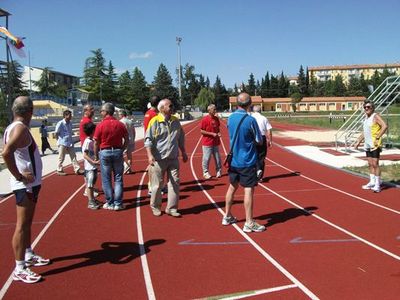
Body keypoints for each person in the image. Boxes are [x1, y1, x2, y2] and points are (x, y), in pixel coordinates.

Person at [2, 96, 50, 284]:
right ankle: (19, 268)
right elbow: (6, 152)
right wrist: (20, 176)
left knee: (27, 223)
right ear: (29, 111)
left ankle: (28, 253)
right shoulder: (20, 128)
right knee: (22, 225)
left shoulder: (12, 127)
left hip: (29, 184)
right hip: (25, 185)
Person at [223, 93, 265, 233]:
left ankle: (227, 216)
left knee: (232, 187)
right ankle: (249, 222)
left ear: (236, 103)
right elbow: (259, 140)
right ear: (250, 104)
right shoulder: (250, 120)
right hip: (247, 160)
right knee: (248, 190)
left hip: (234, 160)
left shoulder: (230, 118)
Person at [145, 98, 188, 217]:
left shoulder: (175, 121)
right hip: (159, 159)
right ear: (162, 108)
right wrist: (149, 155)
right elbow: (148, 140)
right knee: (157, 185)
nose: (172, 107)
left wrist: (183, 151)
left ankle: (172, 208)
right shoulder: (154, 121)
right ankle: (156, 206)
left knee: (175, 183)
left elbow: (180, 137)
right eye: (170, 106)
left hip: (173, 158)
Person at [93, 102, 128, 211]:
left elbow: (95, 142)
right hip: (117, 151)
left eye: (102, 111)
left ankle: (110, 202)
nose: (100, 113)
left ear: (106, 112)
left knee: (106, 179)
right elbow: (127, 139)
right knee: (118, 178)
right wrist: (121, 149)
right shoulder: (120, 124)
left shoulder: (100, 125)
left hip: (105, 152)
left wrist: (96, 156)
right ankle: (118, 203)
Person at [354, 100, 388, 193]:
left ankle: (377, 185)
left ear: (372, 108)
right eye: (365, 107)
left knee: (375, 164)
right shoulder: (365, 118)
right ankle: (372, 182)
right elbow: (364, 132)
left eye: (368, 107)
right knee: (370, 164)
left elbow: (385, 126)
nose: (366, 108)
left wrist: (378, 137)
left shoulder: (375, 116)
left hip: (375, 144)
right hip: (367, 144)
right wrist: (358, 141)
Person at [55, 110, 84, 176]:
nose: (71, 117)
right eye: (70, 115)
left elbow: (70, 132)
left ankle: (77, 169)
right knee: (61, 157)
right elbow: (56, 133)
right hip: (62, 142)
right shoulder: (60, 123)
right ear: (65, 115)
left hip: (70, 142)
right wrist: (58, 141)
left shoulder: (70, 123)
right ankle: (59, 169)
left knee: (73, 156)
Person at [200, 104, 222, 179]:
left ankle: (218, 171)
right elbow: (201, 131)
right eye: (214, 109)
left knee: (217, 158)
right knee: (206, 158)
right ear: (209, 110)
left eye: (215, 109)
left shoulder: (216, 119)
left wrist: (218, 133)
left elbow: (218, 128)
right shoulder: (205, 119)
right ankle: (205, 172)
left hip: (215, 142)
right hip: (207, 143)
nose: (215, 110)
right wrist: (212, 134)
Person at [82, 122, 101, 209]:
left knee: (92, 184)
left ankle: (92, 199)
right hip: (89, 167)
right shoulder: (87, 142)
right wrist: (93, 161)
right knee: (89, 185)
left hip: (93, 166)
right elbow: (85, 155)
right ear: (92, 131)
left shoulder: (92, 140)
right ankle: (90, 201)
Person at [143, 96, 159, 196]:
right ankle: (151, 186)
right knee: (153, 164)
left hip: (149, 139)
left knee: (153, 164)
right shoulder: (154, 115)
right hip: (153, 141)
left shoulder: (147, 113)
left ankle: (155, 184)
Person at [252, 105, 272, 181]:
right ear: (260, 111)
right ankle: (260, 176)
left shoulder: (250, 117)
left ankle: (255, 173)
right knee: (261, 157)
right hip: (262, 138)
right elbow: (269, 130)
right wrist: (270, 141)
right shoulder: (264, 118)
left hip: (252, 138)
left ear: (253, 111)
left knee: (253, 156)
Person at [119, 109, 136, 174]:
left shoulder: (121, 122)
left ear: (122, 114)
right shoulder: (130, 121)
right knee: (129, 155)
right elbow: (134, 131)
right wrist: (133, 139)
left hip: (124, 140)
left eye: (119, 114)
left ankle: (126, 166)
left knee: (120, 155)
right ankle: (129, 169)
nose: (119, 116)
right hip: (131, 139)